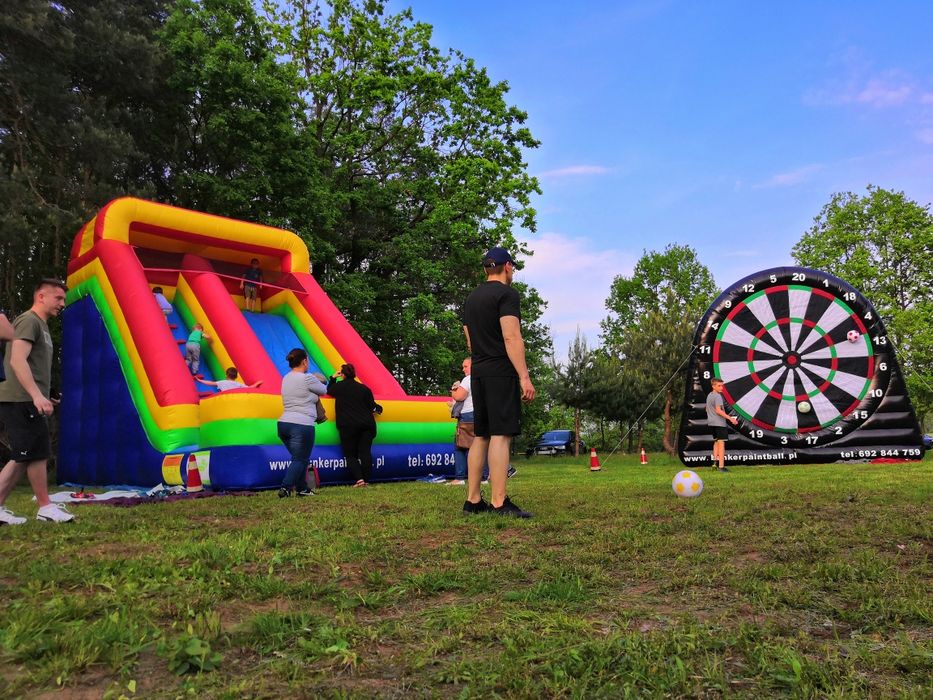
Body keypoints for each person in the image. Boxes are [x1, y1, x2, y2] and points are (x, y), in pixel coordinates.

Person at [461, 247, 535, 518]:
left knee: (481, 435)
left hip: (478, 371)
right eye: (512, 268)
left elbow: (469, 340)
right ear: (507, 267)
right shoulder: (507, 294)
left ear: (485, 269)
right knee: (501, 436)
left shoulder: (472, 298)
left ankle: (473, 501)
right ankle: (499, 502)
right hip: (500, 371)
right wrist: (524, 376)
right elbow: (511, 337)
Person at [0, 279, 74, 524]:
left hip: (26, 397)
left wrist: (47, 391)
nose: (62, 304)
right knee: (37, 452)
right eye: (58, 298)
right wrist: (36, 395)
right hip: (20, 398)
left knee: (24, 455)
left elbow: (33, 365)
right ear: (41, 296)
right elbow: (17, 360)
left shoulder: (41, 325)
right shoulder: (28, 321)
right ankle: (45, 507)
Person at [277, 348, 327, 497]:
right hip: (302, 425)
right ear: (304, 361)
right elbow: (323, 390)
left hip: (283, 424)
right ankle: (285, 488)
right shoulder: (307, 378)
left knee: (299, 459)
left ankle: (302, 489)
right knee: (300, 459)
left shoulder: (285, 378)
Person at [327, 363, 382, 487]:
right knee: (365, 453)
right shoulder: (364, 389)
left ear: (343, 374)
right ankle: (366, 480)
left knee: (350, 455)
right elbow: (373, 406)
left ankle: (360, 480)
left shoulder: (339, 387)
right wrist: (379, 408)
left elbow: (329, 390)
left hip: (348, 426)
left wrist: (333, 377)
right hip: (367, 425)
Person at [706, 378, 738, 472]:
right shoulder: (717, 396)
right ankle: (721, 466)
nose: (722, 388)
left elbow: (707, 409)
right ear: (713, 386)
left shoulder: (709, 395)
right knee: (721, 444)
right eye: (719, 385)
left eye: (722, 385)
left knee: (716, 442)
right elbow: (718, 410)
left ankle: (714, 464)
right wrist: (730, 418)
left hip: (711, 422)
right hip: (719, 423)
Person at [198, 367, 262, 391]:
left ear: (226, 375)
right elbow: (250, 388)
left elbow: (211, 383)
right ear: (236, 377)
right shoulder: (238, 384)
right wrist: (257, 383)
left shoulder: (222, 382)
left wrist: (200, 380)